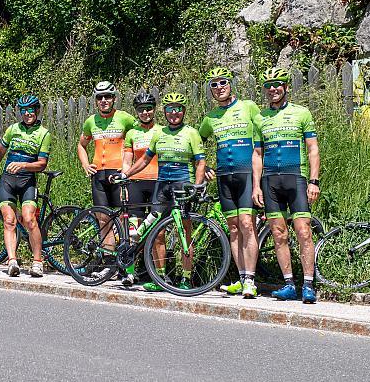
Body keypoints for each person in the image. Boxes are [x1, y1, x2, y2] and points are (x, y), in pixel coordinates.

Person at [120, 93, 206, 291]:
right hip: (162, 185)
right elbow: (144, 160)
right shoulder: (159, 133)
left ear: (183, 111)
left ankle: (185, 278)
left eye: (177, 109)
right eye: (169, 109)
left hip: (183, 183)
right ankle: (160, 278)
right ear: (164, 112)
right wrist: (127, 174)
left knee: (185, 232)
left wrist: (198, 186)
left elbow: (201, 161)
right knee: (157, 232)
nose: (173, 113)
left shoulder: (191, 133)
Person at [252, 67, 321, 304]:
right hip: (270, 181)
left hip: (297, 178)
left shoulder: (301, 113)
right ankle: (289, 284)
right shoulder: (259, 118)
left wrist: (314, 180)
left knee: (303, 231)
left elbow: (312, 148)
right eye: (268, 85)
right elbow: (257, 154)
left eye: (277, 84)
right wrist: (256, 186)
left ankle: (309, 285)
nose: (273, 89)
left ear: (286, 87)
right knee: (279, 234)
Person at [198, 67, 261, 298]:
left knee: (247, 224)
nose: (218, 87)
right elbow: (197, 143)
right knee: (233, 228)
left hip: (246, 174)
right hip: (224, 176)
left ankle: (251, 281)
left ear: (231, 84)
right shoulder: (210, 118)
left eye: (222, 82)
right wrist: (205, 168)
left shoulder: (248, 107)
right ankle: (241, 277)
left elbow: (264, 135)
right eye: (213, 84)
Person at [0, 95, 51, 277]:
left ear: (37, 110)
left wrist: (24, 165)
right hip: (8, 181)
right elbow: (0, 152)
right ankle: (12, 261)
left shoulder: (44, 133)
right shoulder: (12, 129)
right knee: (9, 220)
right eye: (24, 110)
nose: (27, 114)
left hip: (28, 181)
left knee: (29, 219)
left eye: (31, 109)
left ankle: (37, 262)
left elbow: (42, 164)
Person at [77, 81, 136, 264]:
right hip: (99, 175)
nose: (103, 100)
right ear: (96, 101)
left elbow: (140, 138)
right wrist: (86, 165)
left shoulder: (125, 118)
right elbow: (81, 144)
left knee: (122, 218)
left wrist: (130, 166)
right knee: (103, 219)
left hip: (118, 173)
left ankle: (126, 258)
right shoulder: (90, 121)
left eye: (107, 97)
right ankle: (109, 261)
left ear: (114, 98)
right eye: (99, 97)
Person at [119, 92, 161, 286]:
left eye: (148, 108)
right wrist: (124, 182)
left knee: (158, 232)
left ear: (154, 109)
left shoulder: (162, 131)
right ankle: (129, 272)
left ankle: (159, 275)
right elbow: (127, 161)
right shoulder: (132, 134)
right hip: (135, 183)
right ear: (136, 112)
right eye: (141, 109)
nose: (145, 112)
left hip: (156, 183)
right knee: (132, 229)